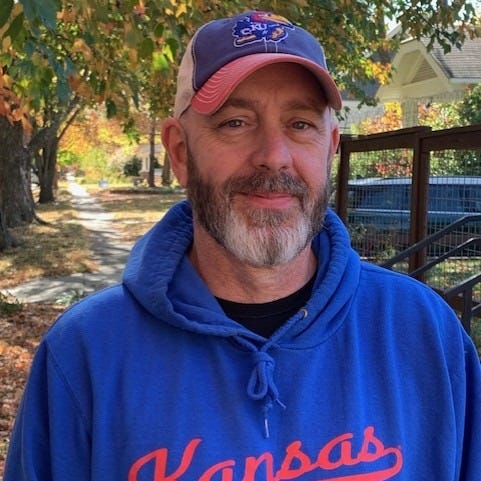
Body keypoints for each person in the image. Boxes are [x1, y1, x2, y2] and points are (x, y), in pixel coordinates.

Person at [5, 10, 481, 481]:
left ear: (330, 148)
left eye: (300, 124)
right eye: (235, 122)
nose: (274, 156)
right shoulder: (86, 354)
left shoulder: (424, 334)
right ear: (180, 152)